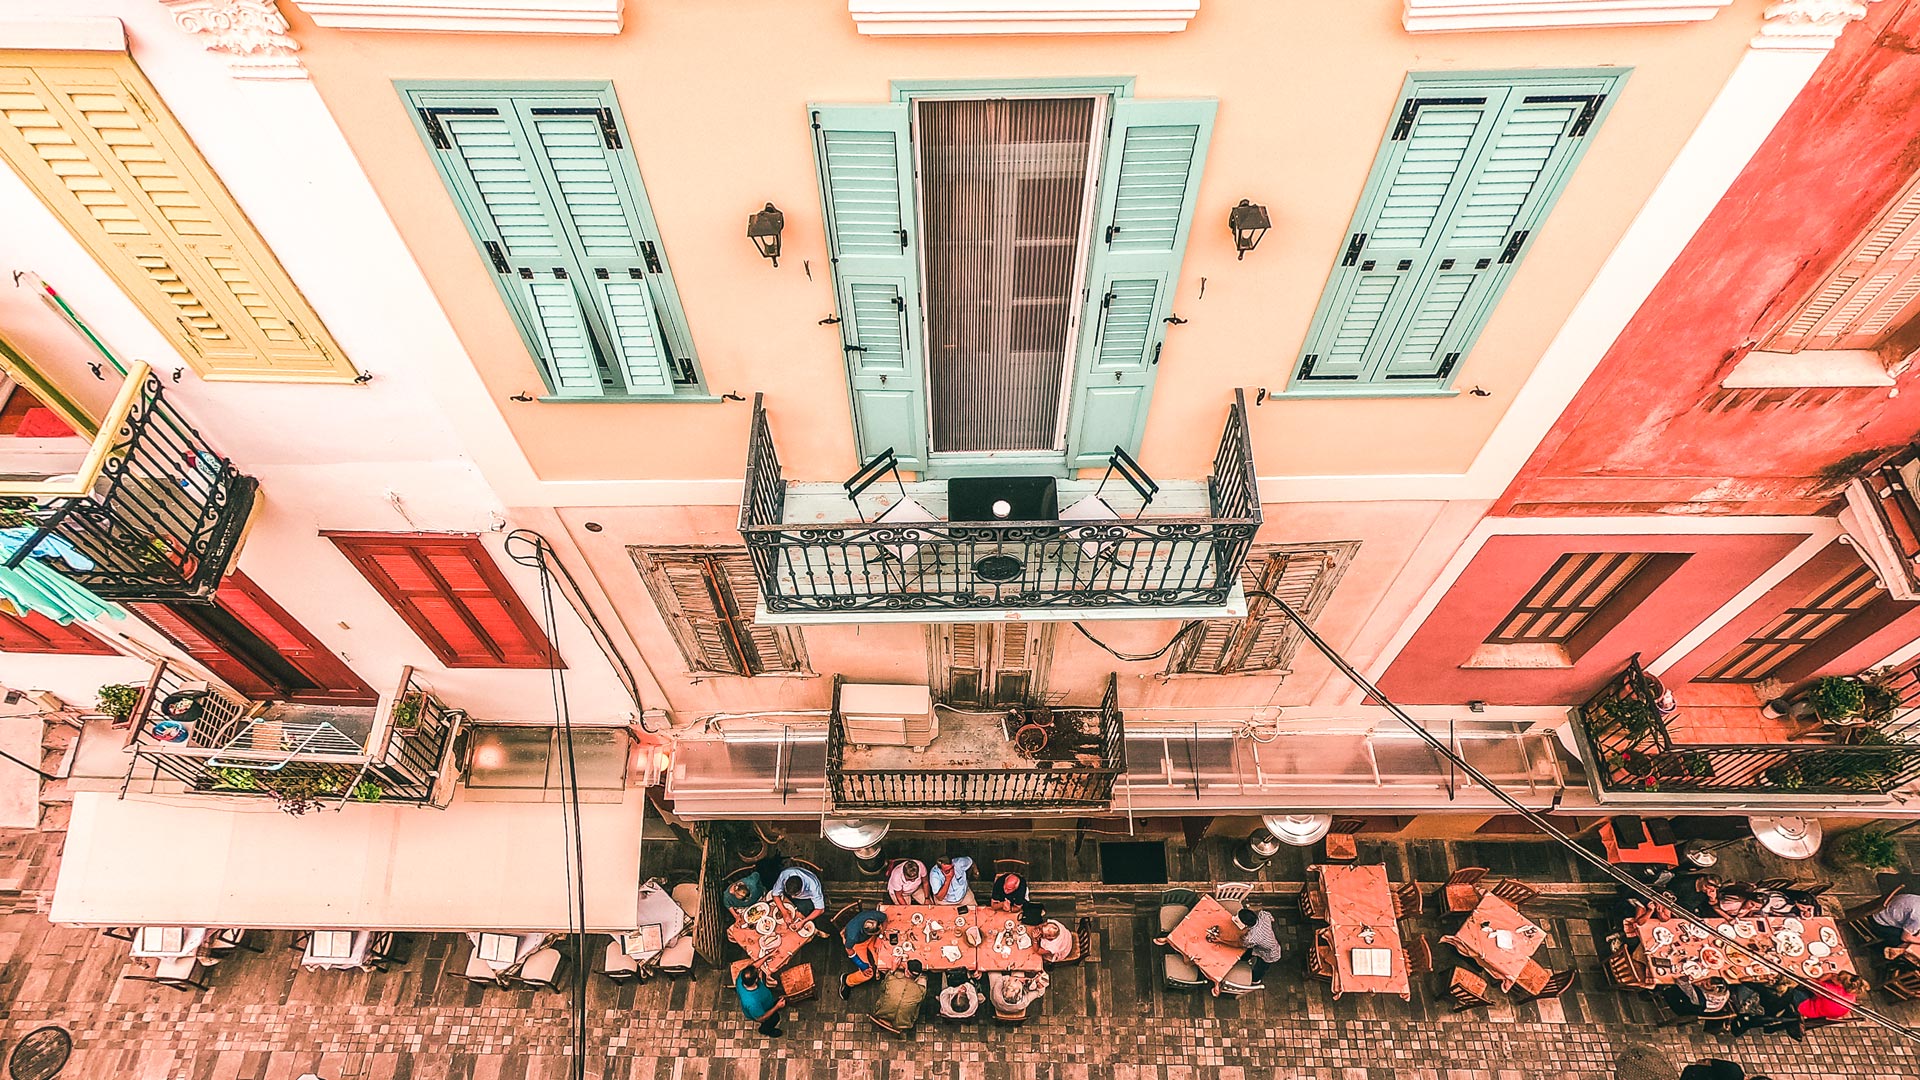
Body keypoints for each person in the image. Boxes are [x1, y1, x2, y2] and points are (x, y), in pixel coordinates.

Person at [1765, 971, 1867, 1040]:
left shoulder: (1829, 990)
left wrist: (1829, 976)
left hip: (1805, 1007)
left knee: (1790, 985)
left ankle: (1770, 999)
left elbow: (1807, 981)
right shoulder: (1851, 998)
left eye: (1837, 977)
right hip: (1818, 1013)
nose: (1835, 976)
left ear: (1840, 983)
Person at [840, 906, 889, 996]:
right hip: (858, 945)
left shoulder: (874, 916)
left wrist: (880, 937)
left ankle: (880, 969)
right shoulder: (852, 936)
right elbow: (849, 950)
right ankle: (847, 981)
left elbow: (885, 919)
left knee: (885, 958)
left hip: (871, 939)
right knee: (868, 974)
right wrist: (862, 966)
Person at [871, 959, 928, 1034]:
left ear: (906, 971)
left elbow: (882, 987)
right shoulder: (921, 990)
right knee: (924, 980)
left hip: (880, 1013)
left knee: (896, 975)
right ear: (918, 975)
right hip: (904, 1023)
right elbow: (920, 1000)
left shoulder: (891, 980)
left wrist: (892, 969)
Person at [1233, 905, 1284, 984]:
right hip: (1262, 944)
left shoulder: (1251, 937)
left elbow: (1244, 945)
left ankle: (1255, 979)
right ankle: (1244, 958)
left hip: (1270, 954)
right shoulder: (1263, 916)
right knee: (1250, 951)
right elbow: (1269, 915)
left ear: (1246, 925)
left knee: (1260, 967)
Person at [734, 964, 787, 1038]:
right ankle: (765, 1030)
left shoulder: (742, 977)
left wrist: (768, 955)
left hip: (766, 1002)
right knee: (774, 1018)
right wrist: (777, 1007)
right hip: (764, 1011)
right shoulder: (752, 1002)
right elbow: (761, 1018)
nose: (759, 970)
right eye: (757, 973)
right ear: (756, 980)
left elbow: (754, 965)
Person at [1869, 891, 1920, 956]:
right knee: (1903, 945)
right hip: (1878, 919)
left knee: (1914, 933)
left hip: (1882, 905)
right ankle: (1877, 949)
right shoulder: (1918, 918)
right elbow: (1905, 937)